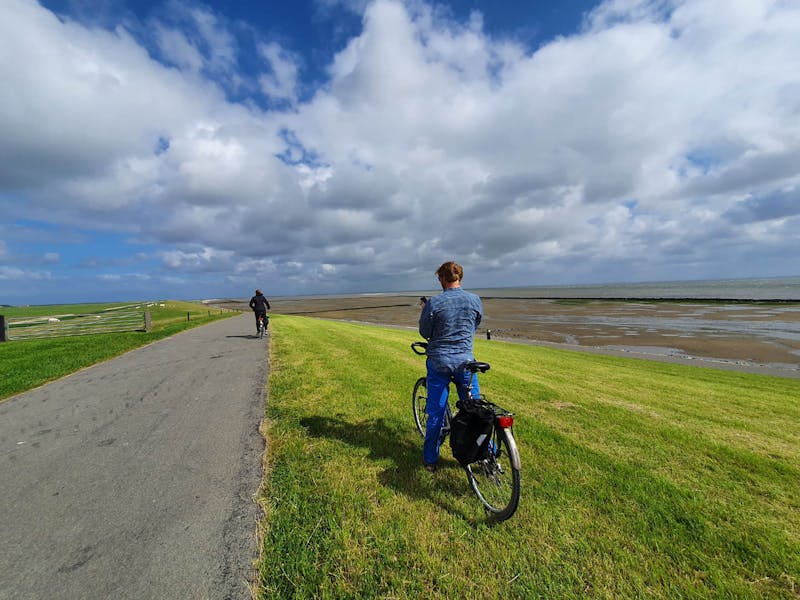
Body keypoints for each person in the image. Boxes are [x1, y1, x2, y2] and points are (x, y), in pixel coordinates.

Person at [418, 261, 482, 472]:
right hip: (466, 362)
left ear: (443, 279)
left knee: (436, 413)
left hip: (440, 362)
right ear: (460, 278)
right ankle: (485, 453)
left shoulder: (434, 303)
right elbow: (475, 324)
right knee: (475, 410)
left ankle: (430, 460)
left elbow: (425, 332)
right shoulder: (475, 300)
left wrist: (426, 310)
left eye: (439, 279)